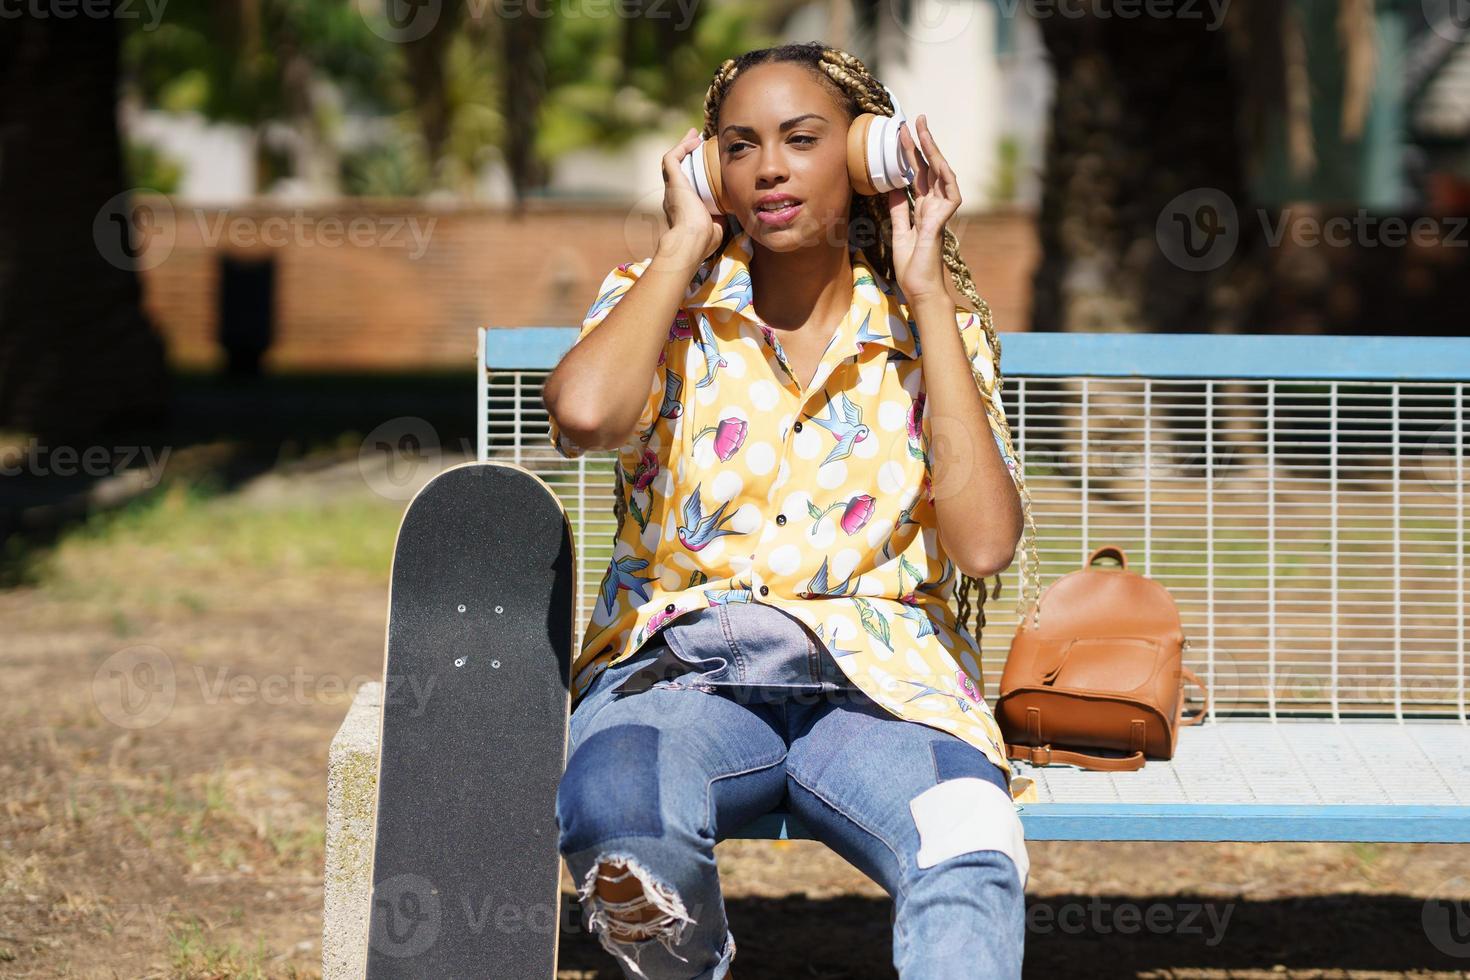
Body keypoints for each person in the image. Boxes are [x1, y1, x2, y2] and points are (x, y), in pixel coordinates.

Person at [541, 40, 1041, 980]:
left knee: (969, 842)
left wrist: (927, 288)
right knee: (618, 815)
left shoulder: (929, 330)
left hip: (883, 693)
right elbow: (583, 414)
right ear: (706, 169)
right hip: (683, 678)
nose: (768, 166)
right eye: (738, 146)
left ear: (864, 159)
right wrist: (682, 243)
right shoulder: (664, 310)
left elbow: (981, 547)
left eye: (802, 139)